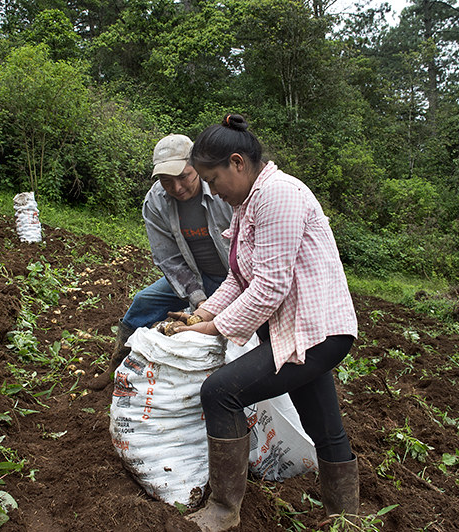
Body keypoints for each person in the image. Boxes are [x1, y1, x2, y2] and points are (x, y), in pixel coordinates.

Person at [169, 114, 359, 532]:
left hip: (316, 331)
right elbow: (239, 278)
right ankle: (345, 519)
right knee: (324, 424)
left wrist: (214, 328)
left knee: (220, 393)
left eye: (213, 179)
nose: (212, 190)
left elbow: (270, 286)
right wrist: (201, 314)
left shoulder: (278, 195)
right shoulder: (248, 205)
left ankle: (223, 510)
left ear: (237, 162)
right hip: (296, 332)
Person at [85, 134, 233, 390]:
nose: (176, 187)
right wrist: (199, 299)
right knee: (143, 302)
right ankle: (116, 366)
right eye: (167, 180)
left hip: (232, 277)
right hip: (194, 276)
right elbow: (169, 259)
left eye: (184, 176)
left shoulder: (223, 191)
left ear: (196, 167)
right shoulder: (156, 202)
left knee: (237, 331)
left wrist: (218, 303)